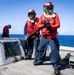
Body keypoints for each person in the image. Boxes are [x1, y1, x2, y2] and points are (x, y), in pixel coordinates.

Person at [33, 2, 61, 75]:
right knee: (41, 49)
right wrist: (44, 25)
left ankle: (56, 66)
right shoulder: (42, 16)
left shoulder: (55, 15)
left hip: (53, 37)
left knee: (54, 51)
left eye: (50, 7)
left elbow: (58, 24)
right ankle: (40, 60)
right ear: (45, 8)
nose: (48, 9)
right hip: (44, 36)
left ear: (52, 8)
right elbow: (38, 26)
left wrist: (51, 27)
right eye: (47, 7)